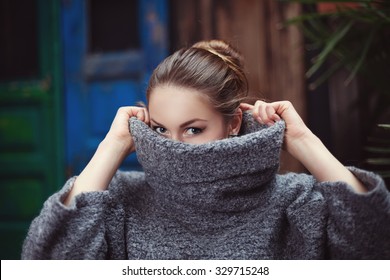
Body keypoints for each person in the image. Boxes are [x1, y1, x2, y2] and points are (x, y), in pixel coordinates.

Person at [22, 40, 390, 259]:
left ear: (231, 124)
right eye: (161, 130)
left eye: (193, 129)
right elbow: (48, 260)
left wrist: (304, 142)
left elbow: (374, 244)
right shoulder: (120, 201)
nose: (174, 147)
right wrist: (112, 146)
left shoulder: (294, 203)